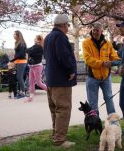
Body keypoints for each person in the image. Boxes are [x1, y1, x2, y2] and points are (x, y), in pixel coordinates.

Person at [43, 14, 77, 148]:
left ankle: (56, 135)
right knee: (63, 108)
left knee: (55, 109)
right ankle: (60, 140)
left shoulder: (48, 37)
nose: (68, 27)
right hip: (61, 80)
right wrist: (71, 70)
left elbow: (47, 56)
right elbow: (63, 56)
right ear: (63, 25)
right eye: (68, 25)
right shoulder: (60, 37)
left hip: (51, 79)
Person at [82, 22, 120, 115]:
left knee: (109, 99)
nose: (95, 32)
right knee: (93, 102)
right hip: (92, 78)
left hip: (106, 77)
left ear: (101, 31)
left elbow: (114, 57)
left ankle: (113, 123)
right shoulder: (86, 43)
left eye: (97, 30)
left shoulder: (107, 43)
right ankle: (95, 123)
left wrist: (116, 62)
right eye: (93, 30)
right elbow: (88, 59)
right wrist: (102, 63)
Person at [25, 35, 47, 103]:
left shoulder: (40, 47)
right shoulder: (34, 46)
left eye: (36, 39)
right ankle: (31, 98)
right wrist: (29, 51)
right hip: (31, 66)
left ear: (39, 40)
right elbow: (27, 50)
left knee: (38, 82)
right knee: (31, 82)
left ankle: (51, 91)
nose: (34, 39)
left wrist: (29, 51)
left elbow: (30, 52)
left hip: (37, 66)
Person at [10, 30, 27, 98]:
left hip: (22, 62)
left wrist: (12, 60)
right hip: (18, 62)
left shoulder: (22, 43)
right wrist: (14, 61)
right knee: (19, 77)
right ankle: (21, 91)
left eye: (14, 34)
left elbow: (21, 54)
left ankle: (23, 92)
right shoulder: (17, 43)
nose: (13, 35)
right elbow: (17, 54)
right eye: (13, 34)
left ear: (18, 35)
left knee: (19, 77)